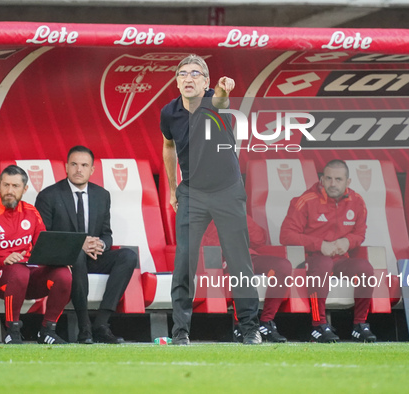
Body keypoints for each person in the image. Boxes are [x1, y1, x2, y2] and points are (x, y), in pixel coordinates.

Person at [160, 54, 261, 345]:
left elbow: (220, 101)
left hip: (227, 190)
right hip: (192, 192)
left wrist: (224, 89)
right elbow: (168, 147)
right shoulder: (169, 112)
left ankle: (250, 328)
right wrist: (171, 187)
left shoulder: (213, 102)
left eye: (195, 73)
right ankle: (180, 331)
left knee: (239, 260)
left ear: (205, 82)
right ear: (177, 80)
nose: (188, 78)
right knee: (184, 262)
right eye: (182, 73)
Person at [35, 146, 137, 344]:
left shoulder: (102, 195)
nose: (78, 169)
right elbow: (44, 238)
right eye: (74, 164)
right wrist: (79, 244)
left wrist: (101, 245)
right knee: (77, 255)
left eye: (84, 165)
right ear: (66, 167)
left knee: (128, 256)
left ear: (92, 170)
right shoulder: (49, 195)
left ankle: (101, 324)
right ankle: (84, 327)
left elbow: (107, 234)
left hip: (92, 256)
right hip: (63, 259)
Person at [280, 159, 377, 343]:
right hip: (310, 261)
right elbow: (286, 235)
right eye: (329, 178)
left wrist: (348, 242)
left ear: (348, 182)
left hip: (340, 260)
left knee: (365, 268)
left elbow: (360, 232)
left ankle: (360, 325)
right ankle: (318, 325)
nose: (333, 183)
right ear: (322, 179)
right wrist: (319, 245)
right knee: (323, 263)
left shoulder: (357, 201)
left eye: (338, 179)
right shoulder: (306, 200)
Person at [0, 165, 72, 344]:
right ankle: (12, 329)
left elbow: (43, 247)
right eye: (6, 185)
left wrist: (58, 258)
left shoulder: (32, 212)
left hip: (28, 274)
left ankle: (47, 330)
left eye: (15, 186)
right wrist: (4, 259)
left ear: (25, 189)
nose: (10, 191)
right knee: (18, 272)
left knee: (63, 274)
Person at [202, 215, 291, 343]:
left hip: (249, 256)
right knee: (243, 265)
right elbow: (201, 241)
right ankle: (241, 325)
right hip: (222, 258)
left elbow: (259, 239)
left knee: (283, 267)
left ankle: (266, 322)